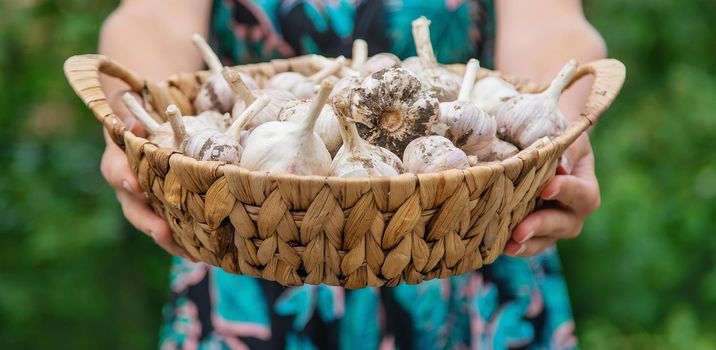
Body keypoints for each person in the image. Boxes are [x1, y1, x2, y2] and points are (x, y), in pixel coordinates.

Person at [99, 0, 604, 348]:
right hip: (245, 228)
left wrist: (553, 123)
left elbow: (548, 21)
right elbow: (150, 16)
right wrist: (136, 120)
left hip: (466, 226)